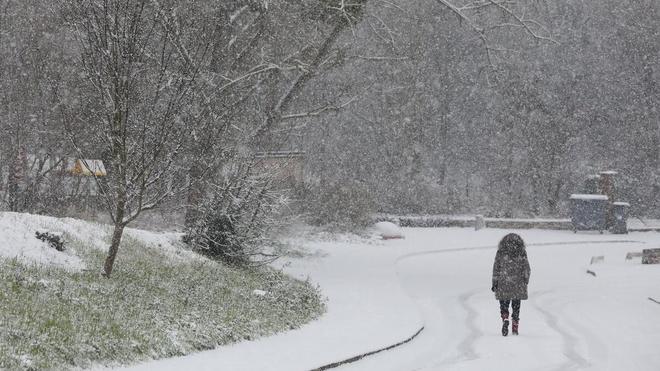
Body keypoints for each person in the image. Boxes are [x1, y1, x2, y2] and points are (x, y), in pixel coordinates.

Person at [491, 233, 531, 336]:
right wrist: (525, 279)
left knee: (504, 304)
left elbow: (496, 268)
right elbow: (526, 268)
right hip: (518, 283)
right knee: (516, 306)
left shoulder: (501, 252)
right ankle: (515, 326)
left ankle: (505, 318)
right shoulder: (521, 252)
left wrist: (495, 282)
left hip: (504, 282)